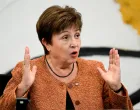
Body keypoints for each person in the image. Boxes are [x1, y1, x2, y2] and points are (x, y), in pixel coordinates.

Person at [0, 5, 133, 110]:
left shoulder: (96, 69)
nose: (74, 43)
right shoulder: (25, 71)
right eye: (65, 37)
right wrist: (22, 89)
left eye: (77, 35)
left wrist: (117, 88)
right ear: (46, 43)